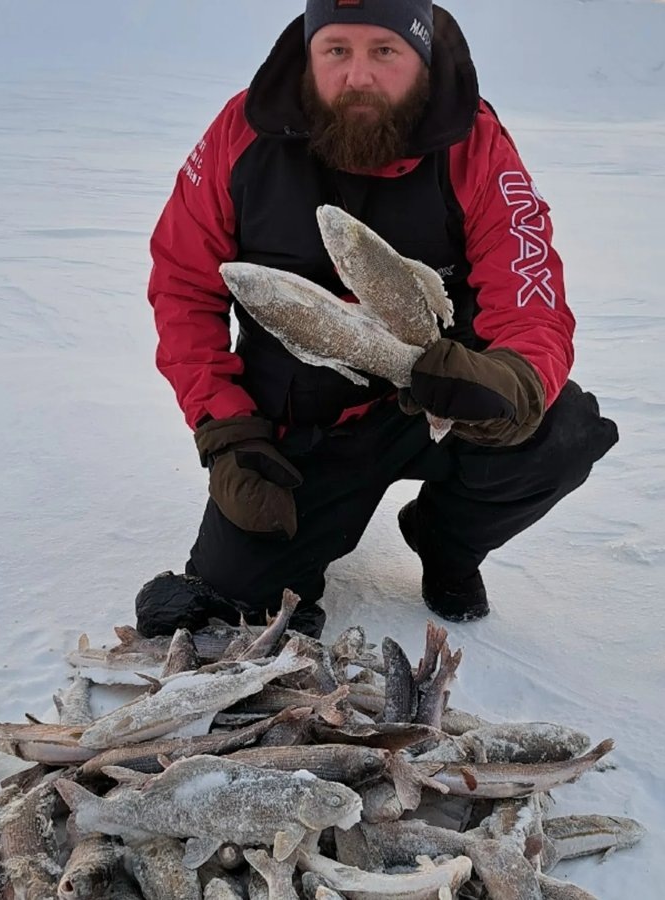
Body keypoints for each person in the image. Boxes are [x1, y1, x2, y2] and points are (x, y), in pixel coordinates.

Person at [138, 0, 618, 639]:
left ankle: (445, 541)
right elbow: (183, 285)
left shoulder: (474, 142)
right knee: (243, 602)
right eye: (336, 50)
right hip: (302, 423)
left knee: (560, 434)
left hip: (441, 402)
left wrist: (515, 378)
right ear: (309, 55)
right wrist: (225, 428)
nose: (358, 75)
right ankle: (282, 546)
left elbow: (528, 286)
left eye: (383, 52)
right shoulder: (241, 132)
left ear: (420, 57)